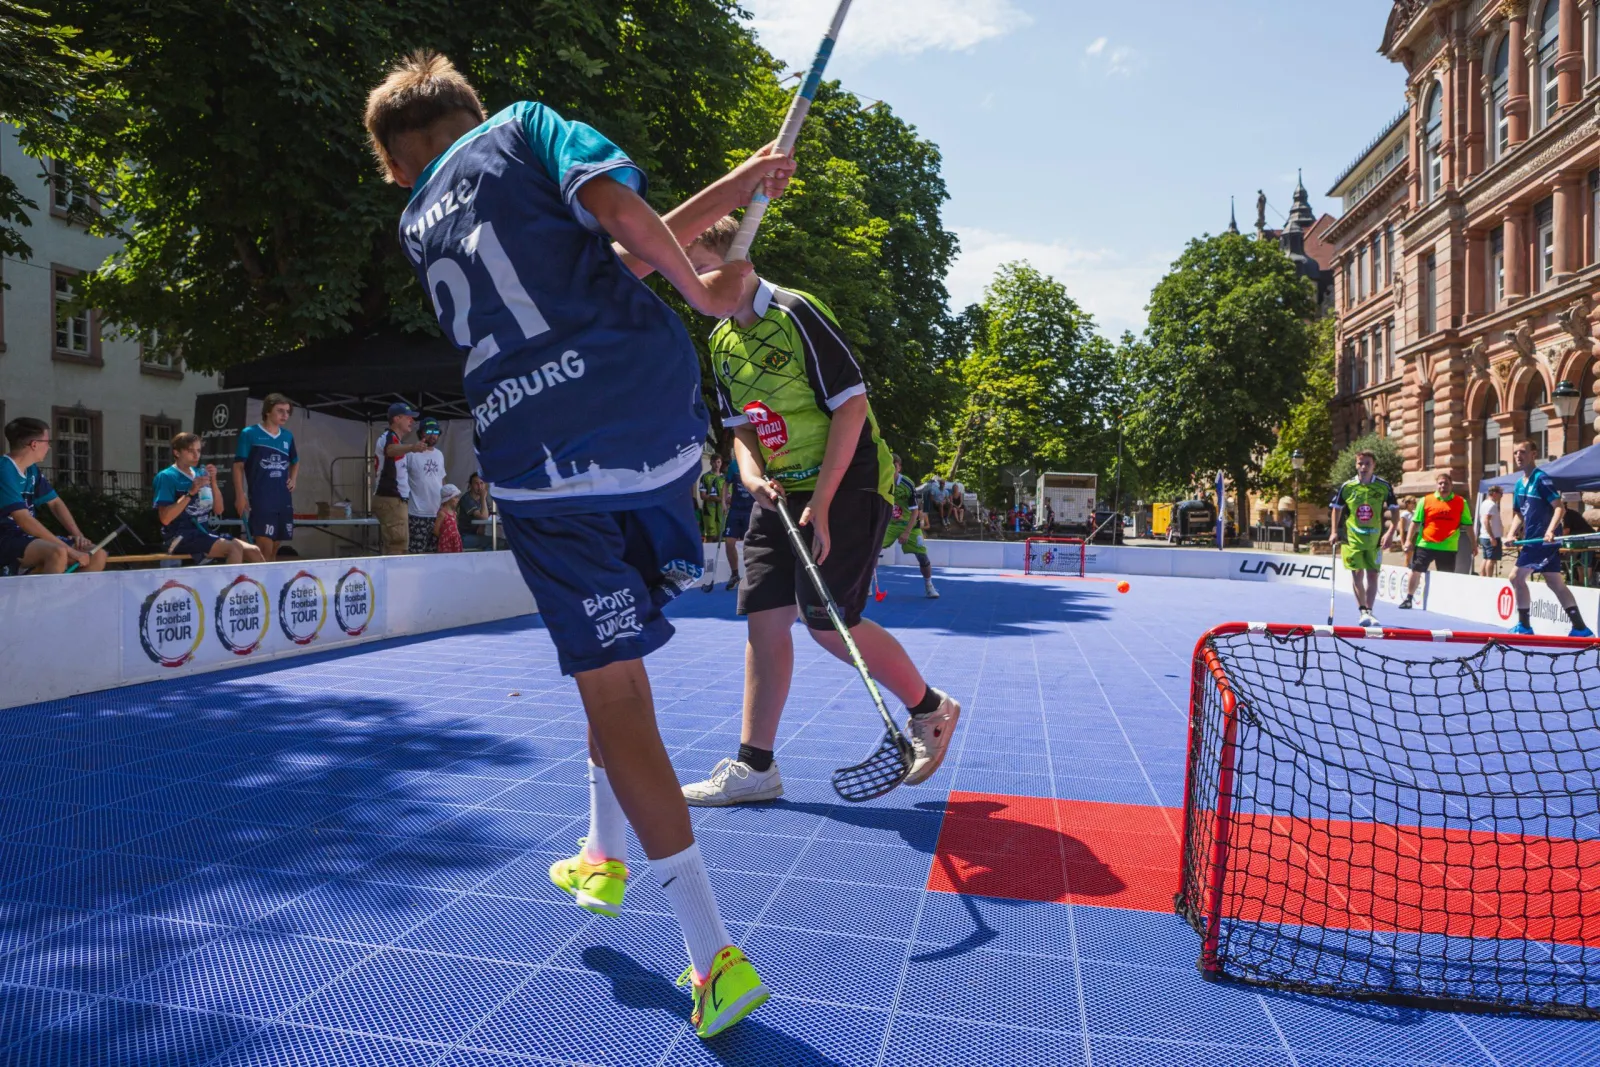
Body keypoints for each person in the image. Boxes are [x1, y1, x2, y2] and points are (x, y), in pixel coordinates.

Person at [364, 50, 797, 1036]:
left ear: (395, 163)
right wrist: (711, 263)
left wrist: (723, 211)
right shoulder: (524, 126)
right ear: (469, 109)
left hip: (536, 465)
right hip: (649, 428)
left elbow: (611, 235)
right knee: (610, 665)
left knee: (612, 686)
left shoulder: (418, 216)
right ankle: (601, 853)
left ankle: (713, 957)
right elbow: (616, 236)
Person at [678, 216, 961, 808]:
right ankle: (756, 767)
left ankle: (930, 708)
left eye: (699, 270)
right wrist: (749, 473)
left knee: (828, 622)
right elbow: (741, 428)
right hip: (780, 489)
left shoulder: (795, 312)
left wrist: (825, 503)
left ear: (740, 263)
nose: (691, 285)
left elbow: (852, 407)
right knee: (763, 620)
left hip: (849, 480)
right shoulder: (720, 340)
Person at [1506, 440, 1592, 636]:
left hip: (1543, 541)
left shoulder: (1541, 479)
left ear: (1533, 454)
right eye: (1516, 452)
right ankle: (1580, 628)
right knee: (1555, 582)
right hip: (1533, 539)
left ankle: (1524, 626)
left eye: (1523, 452)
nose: (1518, 456)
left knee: (1516, 577)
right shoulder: (1519, 484)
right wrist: (1511, 533)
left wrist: (1551, 531)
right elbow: (1519, 514)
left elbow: (1559, 507)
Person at [0, 417, 106, 575]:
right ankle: (47, 591)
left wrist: (78, 535)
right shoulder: (4, 470)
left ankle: (67, 591)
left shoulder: (32, 470)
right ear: (34, 444)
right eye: (47, 442)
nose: (49, 447)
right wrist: (70, 550)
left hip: (25, 537)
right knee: (57, 552)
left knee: (97, 554)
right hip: (6, 537)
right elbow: (23, 519)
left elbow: (55, 503)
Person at [154, 433, 263, 565]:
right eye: (190, 451)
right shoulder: (166, 476)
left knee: (254, 550)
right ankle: (234, 579)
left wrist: (213, 482)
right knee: (233, 548)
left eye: (198, 450)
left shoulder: (199, 473)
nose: (196, 455)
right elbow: (165, 519)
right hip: (179, 536)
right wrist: (190, 493)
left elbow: (219, 510)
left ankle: (259, 580)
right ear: (177, 453)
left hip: (203, 532)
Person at [1329, 450, 1398, 628]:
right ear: (1356, 465)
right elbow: (1336, 508)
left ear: (1373, 465)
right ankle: (1363, 611)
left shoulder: (1384, 486)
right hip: (1353, 538)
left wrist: (1390, 532)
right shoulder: (1347, 486)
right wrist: (1334, 531)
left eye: (1367, 463)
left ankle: (1369, 610)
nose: (1363, 467)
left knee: (1373, 575)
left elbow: (1394, 510)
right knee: (1357, 573)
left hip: (1375, 539)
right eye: (1360, 463)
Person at [233, 392, 300, 562]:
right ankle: (257, 578)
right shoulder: (250, 433)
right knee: (264, 549)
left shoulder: (287, 436)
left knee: (274, 550)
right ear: (268, 411)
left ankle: (269, 579)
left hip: (283, 498)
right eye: (280, 411)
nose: (285, 415)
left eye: (287, 411)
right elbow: (238, 466)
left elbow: (295, 461)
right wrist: (240, 495)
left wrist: (293, 479)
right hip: (261, 498)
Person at [1400, 472, 1474, 610]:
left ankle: (1444, 602)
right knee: (1415, 570)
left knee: (1445, 576)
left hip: (1448, 546)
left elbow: (1468, 525)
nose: (1443, 486)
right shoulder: (1425, 500)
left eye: (1446, 483)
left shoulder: (1460, 502)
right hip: (1425, 543)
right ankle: (1408, 598)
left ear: (1451, 485)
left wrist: (1474, 545)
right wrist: (1408, 540)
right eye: (1440, 483)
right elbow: (1415, 523)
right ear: (1436, 485)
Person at [882, 453, 938, 598]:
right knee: (870, 551)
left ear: (899, 468)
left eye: (894, 466)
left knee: (922, 556)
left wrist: (906, 532)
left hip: (910, 524)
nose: (891, 469)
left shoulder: (907, 484)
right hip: (890, 525)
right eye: (888, 465)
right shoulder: (881, 482)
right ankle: (866, 586)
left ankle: (929, 585)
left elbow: (915, 512)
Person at [374, 401, 425, 555]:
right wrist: (412, 447)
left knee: (397, 546)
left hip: (394, 500)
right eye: (408, 417)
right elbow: (390, 450)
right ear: (397, 419)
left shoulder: (394, 439)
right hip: (391, 499)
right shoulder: (389, 437)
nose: (412, 421)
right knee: (397, 547)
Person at [403, 416, 447, 553]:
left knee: (435, 554)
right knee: (415, 554)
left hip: (437, 514)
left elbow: (442, 480)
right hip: (417, 514)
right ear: (421, 433)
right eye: (428, 431)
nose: (433, 435)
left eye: (436, 432)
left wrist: (445, 505)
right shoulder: (411, 454)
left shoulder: (439, 454)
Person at [721, 456, 755, 591]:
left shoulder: (757, 462)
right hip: (735, 509)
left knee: (751, 544)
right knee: (729, 543)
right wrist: (723, 502)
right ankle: (734, 574)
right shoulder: (734, 465)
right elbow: (726, 484)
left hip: (751, 509)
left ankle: (753, 576)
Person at [696, 453, 728, 591]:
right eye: (715, 462)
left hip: (722, 511)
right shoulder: (705, 477)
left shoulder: (725, 478)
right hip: (709, 511)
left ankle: (721, 566)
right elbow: (703, 496)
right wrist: (719, 499)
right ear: (711, 463)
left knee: (722, 537)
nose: (717, 464)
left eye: (719, 462)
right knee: (711, 536)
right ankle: (707, 566)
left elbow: (728, 495)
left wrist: (723, 500)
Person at [458, 472, 495, 549]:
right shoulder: (467, 499)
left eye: (481, 483)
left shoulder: (482, 498)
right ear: (470, 485)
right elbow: (484, 517)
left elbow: (491, 514)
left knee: (493, 544)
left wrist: (482, 525)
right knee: (496, 542)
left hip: (476, 535)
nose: (479, 486)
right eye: (476, 483)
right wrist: (483, 498)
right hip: (464, 537)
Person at [1477, 484, 1505, 578]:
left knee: (1485, 558)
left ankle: (1482, 578)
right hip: (1491, 537)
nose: (1502, 496)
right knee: (1491, 560)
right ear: (1494, 493)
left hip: (1484, 536)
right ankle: (1489, 579)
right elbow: (1486, 520)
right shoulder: (1491, 505)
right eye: (1501, 493)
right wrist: (1492, 537)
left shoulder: (1485, 503)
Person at [435, 482, 464, 554]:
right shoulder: (442, 513)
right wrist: (445, 537)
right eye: (455, 497)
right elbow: (436, 530)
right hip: (446, 543)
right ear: (448, 499)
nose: (458, 500)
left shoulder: (454, 513)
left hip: (455, 542)